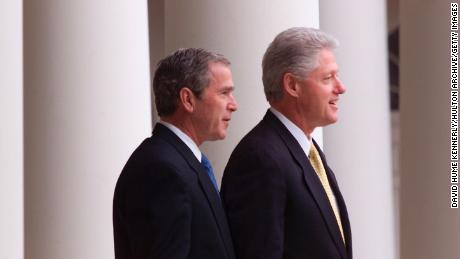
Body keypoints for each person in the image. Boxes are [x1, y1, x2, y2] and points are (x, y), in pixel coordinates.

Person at [221, 27, 352, 259]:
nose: (340, 88)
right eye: (328, 78)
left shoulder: (308, 152)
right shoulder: (259, 158)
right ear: (292, 85)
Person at [113, 48, 238, 259]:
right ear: (188, 99)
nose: (233, 105)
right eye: (223, 93)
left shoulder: (178, 162)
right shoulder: (159, 170)